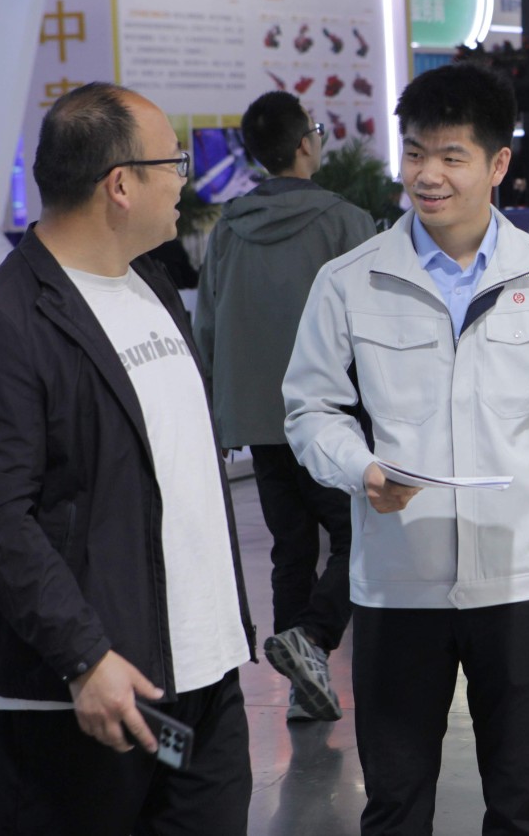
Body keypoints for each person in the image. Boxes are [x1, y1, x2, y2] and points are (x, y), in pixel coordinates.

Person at [282, 62, 529, 836]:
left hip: (519, 582)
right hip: (396, 583)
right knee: (395, 806)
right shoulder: (350, 281)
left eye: (452, 156)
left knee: (524, 805)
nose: (428, 175)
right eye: (416, 152)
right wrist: (360, 469)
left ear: (498, 164)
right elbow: (310, 409)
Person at [0, 82, 255, 835]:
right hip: (82, 693)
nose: (183, 181)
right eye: (172, 163)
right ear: (120, 185)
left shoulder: (152, 284)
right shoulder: (1, 326)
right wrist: (84, 657)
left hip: (201, 676)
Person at [193, 91, 377, 724]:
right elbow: (375, 324)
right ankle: (314, 640)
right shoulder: (346, 222)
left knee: (291, 548)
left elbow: (207, 324)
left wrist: (217, 412)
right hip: (332, 417)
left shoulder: (229, 229)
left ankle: (304, 685)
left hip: (258, 417)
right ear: (305, 144)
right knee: (360, 534)